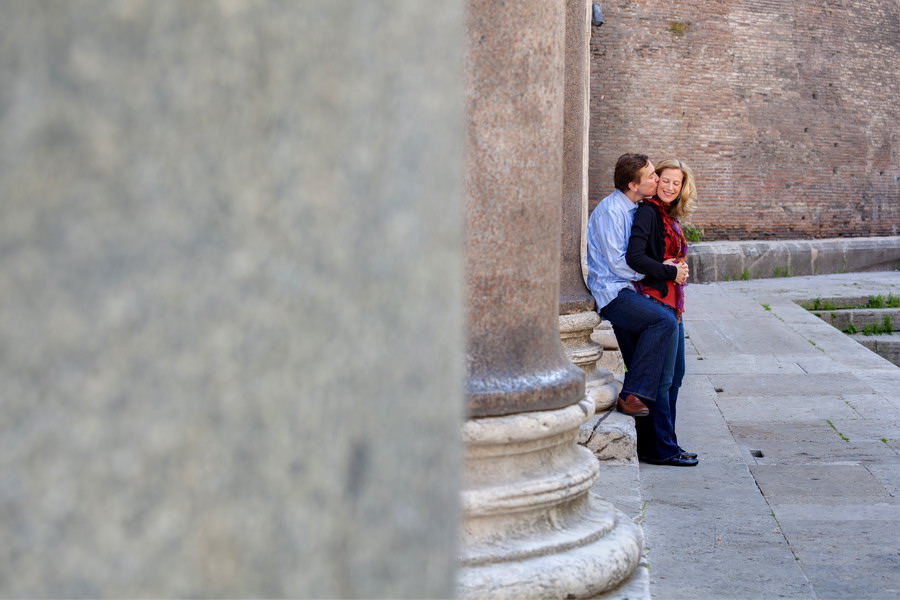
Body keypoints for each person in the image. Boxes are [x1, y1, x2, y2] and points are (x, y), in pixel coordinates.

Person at [586, 153, 695, 466]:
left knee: (669, 373)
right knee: (661, 327)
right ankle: (633, 397)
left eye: (672, 181)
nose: (658, 182)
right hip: (614, 294)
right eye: (653, 177)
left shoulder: (636, 208)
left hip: (634, 292)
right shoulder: (612, 211)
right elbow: (621, 263)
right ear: (634, 184)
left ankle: (661, 443)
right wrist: (664, 271)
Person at [626, 158, 699, 465]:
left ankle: (666, 441)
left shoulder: (669, 216)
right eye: (665, 180)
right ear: (655, 181)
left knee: (676, 375)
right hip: (656, 300)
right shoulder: (648, 212)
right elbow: (636, 257)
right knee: (663, 379)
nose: (669, 187)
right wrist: (670, 273)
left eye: (676, 182)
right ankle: (660, 449)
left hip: (673, 303)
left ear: (684, 187)